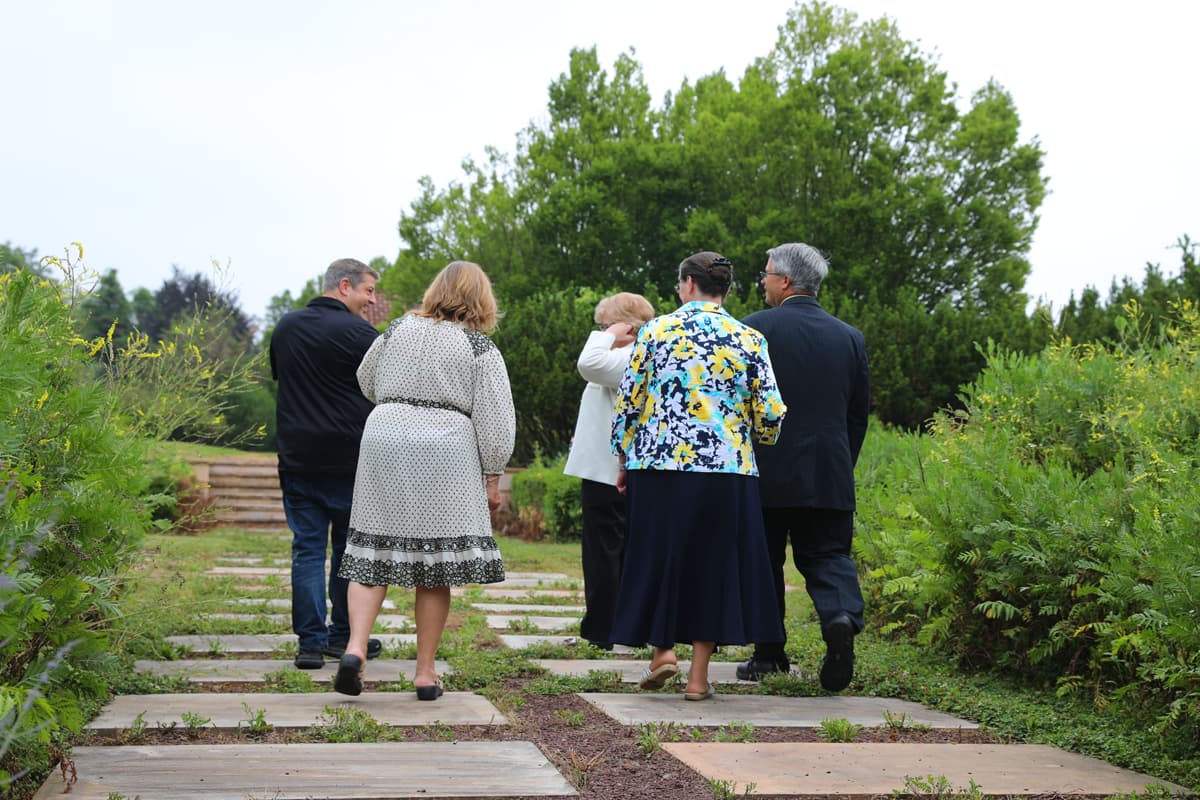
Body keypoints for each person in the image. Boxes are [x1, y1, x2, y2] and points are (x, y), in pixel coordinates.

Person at [609, 251, 787, 700]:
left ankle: (663, 651)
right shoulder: (749, 337)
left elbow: (629, 401)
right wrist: (756, 438)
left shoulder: (655, 331)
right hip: (726, 470)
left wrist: (624, 456)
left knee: (660, 556)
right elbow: (769, 410)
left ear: (688, 284)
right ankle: (697, 679)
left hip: (658, 463)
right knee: (714, 566)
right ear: (725, 289)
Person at [334, 260, 515, 700]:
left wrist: (397, 404)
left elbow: (365, 378)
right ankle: (425, 672)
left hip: (385, 434)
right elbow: (496, 419)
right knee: (435, 566)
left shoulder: (397, 329)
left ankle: (355, 648)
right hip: (445, 446)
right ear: (481, 299)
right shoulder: (478, 348)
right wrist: (493, 474)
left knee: (370, 549)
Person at [737, 242, 870, 693]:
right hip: (829, 469)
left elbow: (739, 403)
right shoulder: (850, 337)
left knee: (764, 560)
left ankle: (768, 654)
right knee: (829, 555)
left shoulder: (753, 330)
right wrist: (840, 463)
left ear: (786, 281)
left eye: (767, 273)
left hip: (765, 468)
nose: (762, 280)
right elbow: (857, 414)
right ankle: (840, 616)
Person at [269, 258, 385, 669]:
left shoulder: (285, 327)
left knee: (307, 549)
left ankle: (309, 644)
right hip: (351, 460)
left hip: (297, 458)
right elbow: (382, 389)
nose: (372, 301)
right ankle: (341, 637)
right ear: (345, 285)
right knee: (347, 552)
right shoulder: (360, 334)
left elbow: (282, 379)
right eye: (368, 291)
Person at [563, 292, 656, 651]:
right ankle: (612, 624)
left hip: (610, 471)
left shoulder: (627, 355)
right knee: (614, 549)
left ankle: (602, 628)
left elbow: (587, 363)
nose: (599, 331)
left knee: (604, 551)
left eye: (604, 324)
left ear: (625, 327)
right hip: (609, 467)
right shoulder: (623, 355)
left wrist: (611, 333)